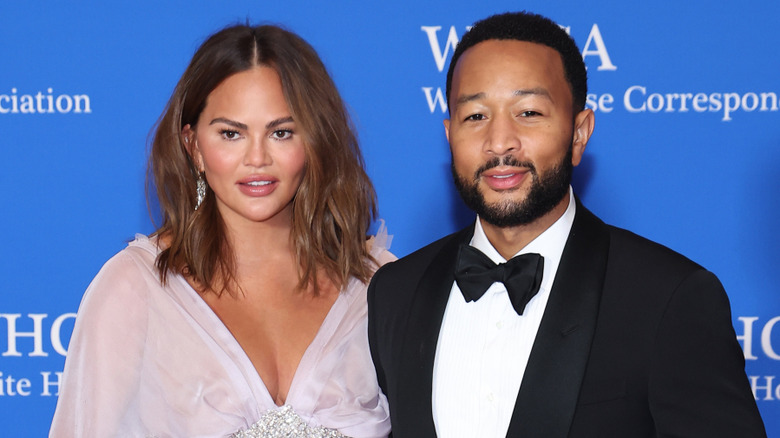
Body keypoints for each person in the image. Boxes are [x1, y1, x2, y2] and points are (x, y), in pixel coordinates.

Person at [367, 11, 766, 438]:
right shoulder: (396, 292)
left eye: (529, 112)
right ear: (449, 135)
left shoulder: (668, 299)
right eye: (476, 116)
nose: (499, 141)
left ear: (579, 133)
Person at [50, 24, 392, 437]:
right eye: (231, 133)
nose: (257, 158)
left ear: (315, 141)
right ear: (193, 146)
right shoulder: (135, 291)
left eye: (281, 132)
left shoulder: (379, 287)